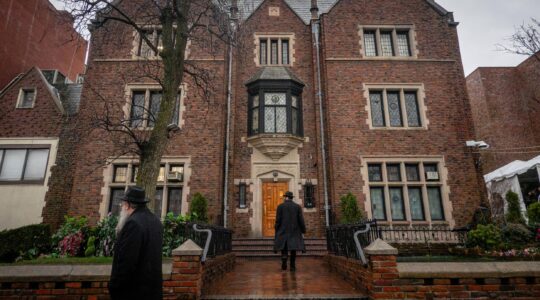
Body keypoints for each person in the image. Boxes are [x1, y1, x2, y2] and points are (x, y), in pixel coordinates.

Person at [109, 186, 163, 300]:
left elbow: (127, 261)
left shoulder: (133, 223)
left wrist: (115, 287)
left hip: (134, 292)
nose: (122, 207)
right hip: (153, 291)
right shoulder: (156, 221)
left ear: (128, 204)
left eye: (123, 204)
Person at [274, 191, 306, 272]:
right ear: (291, 197)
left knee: (284, 246)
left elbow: (278, 220)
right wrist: (303, 230)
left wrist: (277, 229)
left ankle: (284, 258)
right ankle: (292, 266)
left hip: (283, 229)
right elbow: (301, 220)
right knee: (293, 248)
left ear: (286, 197)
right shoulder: (297, 207)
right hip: (294, 230)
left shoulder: (280, 207)